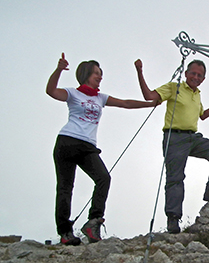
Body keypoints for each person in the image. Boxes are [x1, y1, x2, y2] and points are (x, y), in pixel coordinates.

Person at [46, 53, 158, 246]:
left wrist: (149, 104)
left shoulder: (101, 97)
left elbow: (125, 104)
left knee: (103, 178)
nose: (100, 76)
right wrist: (58, 69)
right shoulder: (73, 93)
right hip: (67, 142)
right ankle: (65, 232)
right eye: (96, 73)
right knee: (65, 188)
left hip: (87, 146)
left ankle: (93, 222)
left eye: (100, 73)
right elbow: (51, 91)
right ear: (86, 74)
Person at [134, 58, 209, 234]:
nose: (196, 77)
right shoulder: (174, 87)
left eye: (200, 75)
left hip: (192, 138)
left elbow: (203, 115)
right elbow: (149, 96)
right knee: (175, 178)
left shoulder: (197, 94)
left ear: (203, 79)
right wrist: (140, 72)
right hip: (174, 138)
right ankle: (173, 219)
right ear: (186, 74)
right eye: (193, 73)